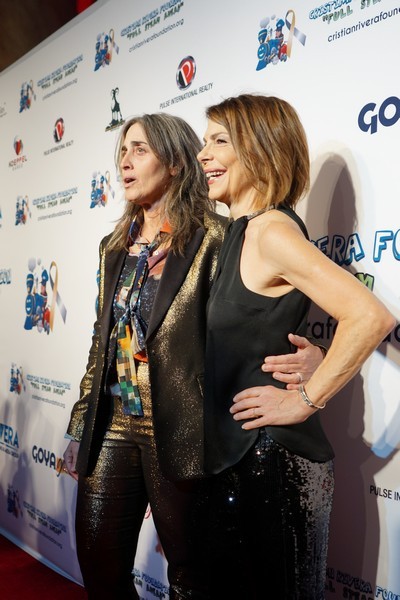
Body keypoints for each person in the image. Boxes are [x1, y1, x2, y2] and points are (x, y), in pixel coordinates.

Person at [63, 112, 324, 599]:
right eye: (123, 150)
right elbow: (102, 342)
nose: (125, 161)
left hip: (183, 424)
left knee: (193, 577)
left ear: (176, 163)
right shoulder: (113, 246)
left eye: (140, 149)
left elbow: (250, 323)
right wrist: (82, 426)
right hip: (115, 418)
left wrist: (320, 357)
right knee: (99, 567)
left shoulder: (216, 237)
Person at [196, 94, 395, 599]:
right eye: (205, 141)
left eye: (219, 140)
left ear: (260, 149)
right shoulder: (239, 234)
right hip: (237, 459)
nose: (203, 154)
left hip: (274, 466)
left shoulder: (272, 233)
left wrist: (305, 398)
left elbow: (370, 316)